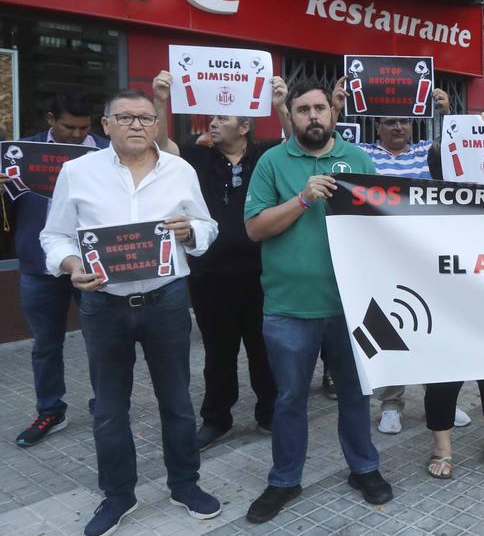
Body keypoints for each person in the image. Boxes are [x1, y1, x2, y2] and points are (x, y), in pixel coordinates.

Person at [39, 89, 222, 535]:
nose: (136, 125)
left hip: (167, 300)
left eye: (144, 118)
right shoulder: (77, 171)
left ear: (157, 125)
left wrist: (190, 231)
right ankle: (118, 494)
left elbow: (208, 226)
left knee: (177, 402)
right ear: (107, 125)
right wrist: (71, 265)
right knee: (109, 408)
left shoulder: (180, 170)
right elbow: (54, 236)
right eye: (125, 117)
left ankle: (185, 484)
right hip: (103, 304)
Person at [243, 81, 391, 523]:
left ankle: (363, 468)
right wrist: (303, 199)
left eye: (320, 108)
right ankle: (285, 479)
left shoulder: (359, 159)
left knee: (355, 394)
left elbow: (384, 220)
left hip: (350, 306)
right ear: (291, 114)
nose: (313, 116)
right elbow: (255, 228)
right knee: (289, 399)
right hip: (289, 308)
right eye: (303, 108)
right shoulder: (271, 161)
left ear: (333, 112)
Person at [151, 71, 292, 451]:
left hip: (262, 274)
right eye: (212, 117)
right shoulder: (197, 156)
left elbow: (295, 146)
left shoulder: (265, 155)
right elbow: (160, 147)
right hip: (210, 275)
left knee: (264, 350)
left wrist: (281, 105)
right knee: (218, 353)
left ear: (245, 126)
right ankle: (217, 419)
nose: (213, 122)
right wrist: (161, 101)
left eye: (223, 118)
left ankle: (268, 413)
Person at [324, 78, 470, 434]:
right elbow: (331, 149)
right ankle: (391, 402)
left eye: (404, 121)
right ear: (378, 126)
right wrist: (336, 108)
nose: (398, 127)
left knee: (435, 331)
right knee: (389, 330)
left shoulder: (426, 152)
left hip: (426, 258)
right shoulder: (362, 155)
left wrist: (446, 113)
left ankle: (443, 402)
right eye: (390, 122)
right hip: (380, 260)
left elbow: (456, 153)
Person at [3, 93, 109, 448]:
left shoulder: (108, 153)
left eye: (84, 127)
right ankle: (50, 410)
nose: (78, 134)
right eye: (69, 127)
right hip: (39, 262)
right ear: (51, 119)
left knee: (102, 340)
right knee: (46, 344)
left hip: (93, 261)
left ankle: (106, 403)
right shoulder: (21, 153)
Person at [420, 114, 484, 478]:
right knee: (442, 376)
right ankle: (442, 447)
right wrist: (467, 125)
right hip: (448, 301)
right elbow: (435, 152)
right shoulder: (435, 197)